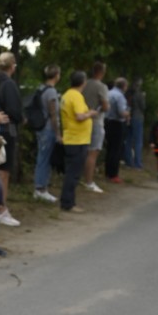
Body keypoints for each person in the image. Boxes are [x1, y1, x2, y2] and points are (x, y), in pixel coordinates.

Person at [0, 54, 25, 221]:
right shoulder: (8, 84)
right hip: (6, 129)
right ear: (12, 66)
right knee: (3, 171)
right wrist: (21, 118)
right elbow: (14, 110)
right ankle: (1, 208)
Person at [59, 71, 94, 211]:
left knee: (71, 171)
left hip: (71, 137)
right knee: (73, 173)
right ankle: (68, 203)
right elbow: (79, 116)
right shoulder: (76, 96)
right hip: (77, 139)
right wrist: (90, 113)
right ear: (83, 82)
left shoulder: (67, 95)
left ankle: (68, 201)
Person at [32, 64, 61, 202]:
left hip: (40, 126)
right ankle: (41, 188)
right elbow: (53, 114)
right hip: (48, 128)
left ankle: (40, 186)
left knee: (41, 156)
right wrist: (58, 133)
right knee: (45, 158)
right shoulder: (51, 92)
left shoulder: (40, 88)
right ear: (56, 75)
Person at [82, 59, 111, 194]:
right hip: (96, 120)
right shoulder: (101, 86)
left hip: (82, 119)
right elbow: (105, 106)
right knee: (93, 152)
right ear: (102, 72)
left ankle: (81, 177)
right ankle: (89, 181)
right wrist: (104, 107)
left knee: (83, 151)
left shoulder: (84, 84)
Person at [104, 76, 129, 183]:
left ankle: (107, 171)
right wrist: (128, 113)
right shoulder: (120, 96)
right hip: (117, 123)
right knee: (116, 149)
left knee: (109, 148)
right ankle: (113, 174)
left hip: (107, 122)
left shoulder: (108, 93)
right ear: (124, 86)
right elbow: (121, 112)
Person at [128, 77, 147, 172]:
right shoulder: (139, 94)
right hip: (138, 117)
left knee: (129, 140)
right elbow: (143, 107)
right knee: (138, 141)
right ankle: (137, 163)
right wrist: (144, 97)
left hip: (130, 117)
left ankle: (129, 161)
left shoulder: (129, 94)